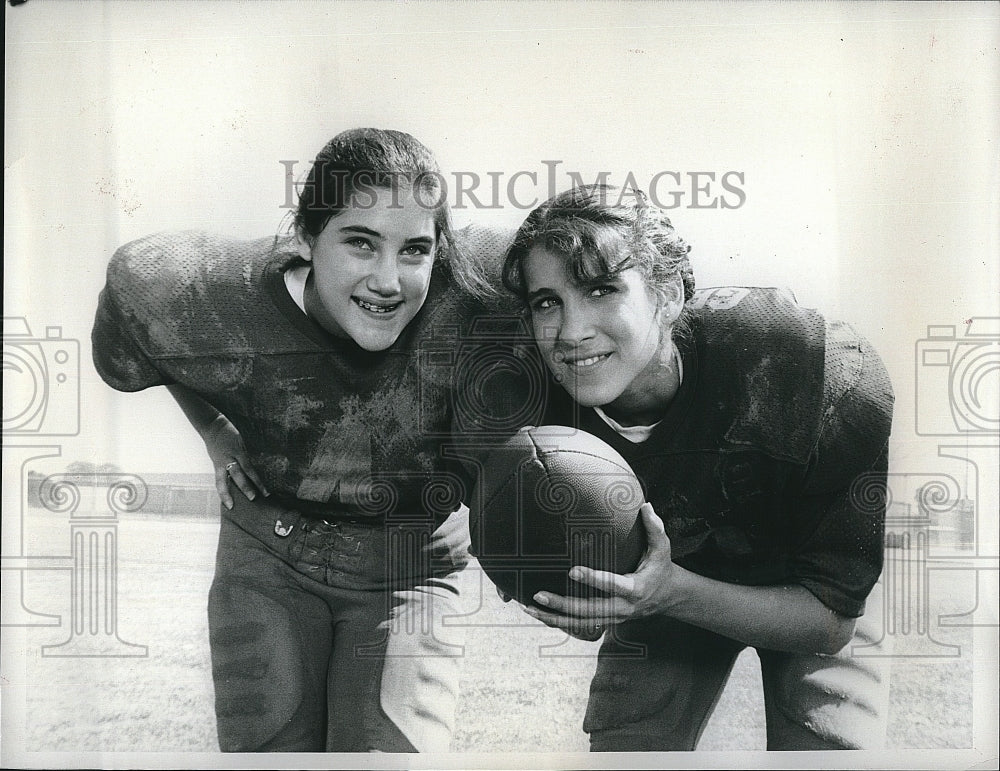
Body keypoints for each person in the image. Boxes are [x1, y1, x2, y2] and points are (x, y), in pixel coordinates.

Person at [90, 128, 504, 753]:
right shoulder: (206, 290)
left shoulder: (483, 282)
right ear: (306, 237)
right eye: (361, 243)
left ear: (441, 248)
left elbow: (593, 304)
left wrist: (494, 484)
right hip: (268, 549)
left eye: (414, 249)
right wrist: (213, 430)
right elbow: (139, 325)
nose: (388, 280)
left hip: (409, 561)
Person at [481, 183, 894, 751]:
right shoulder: (530, 403)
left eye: (602, 289)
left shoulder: (801, 365)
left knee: (830, 742)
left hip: (804, 585)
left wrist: (667, 591)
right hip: (667, 577)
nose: (571, 332)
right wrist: (570, 591)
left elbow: (829, 623)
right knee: (628, 747)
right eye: (547, 301)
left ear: (668, 294)